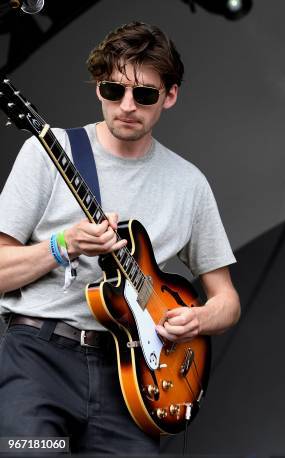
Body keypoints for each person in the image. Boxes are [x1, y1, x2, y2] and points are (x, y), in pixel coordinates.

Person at [0, 22, 240, 454]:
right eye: (114, 91)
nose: (127, 105)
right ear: (98, 88)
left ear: (170, 95)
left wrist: (198, 319)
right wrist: (63, 245)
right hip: (39, 357)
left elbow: (226, 300)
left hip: (131, 378)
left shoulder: (189, 183)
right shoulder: (47, 151)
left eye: (145, 94)